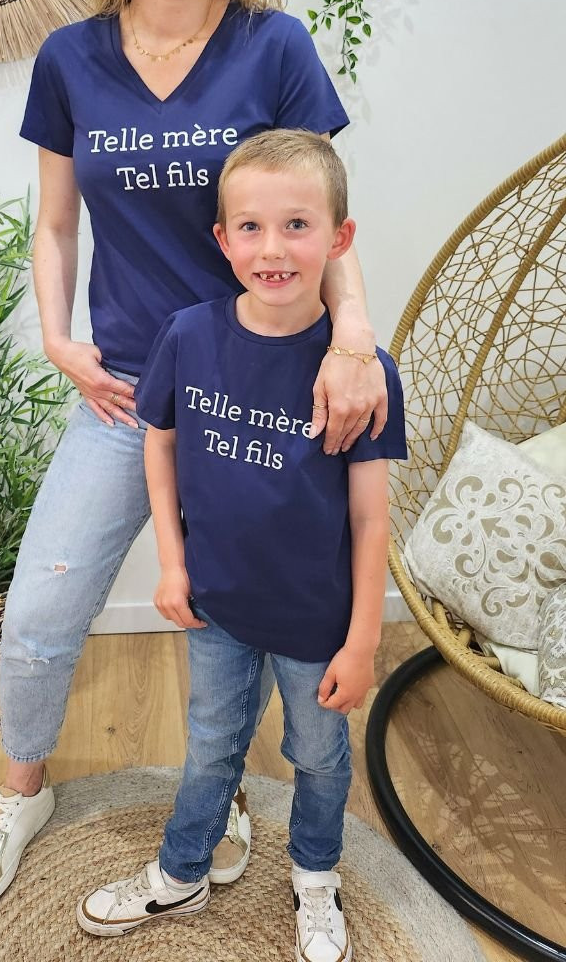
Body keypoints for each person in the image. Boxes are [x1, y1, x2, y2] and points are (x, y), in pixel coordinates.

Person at [0, 0, 391, 914]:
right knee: (44, 608)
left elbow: (328, 214)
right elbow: (57, 224)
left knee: (241, 611)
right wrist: (57, 335)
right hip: (126, 392)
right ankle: (20, 789)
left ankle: (226, 794)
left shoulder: (272, 47)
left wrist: (353, 336)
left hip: (258, 394)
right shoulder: (71, 58)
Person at [76, 130, 406, 960]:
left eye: (297, 225)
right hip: (217, 607)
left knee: (319, 759)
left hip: (315, 624)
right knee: (212, 746)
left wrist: (365, 639)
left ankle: (316, 878)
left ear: (339, 238)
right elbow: (158, 440)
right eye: (250, 228)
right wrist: (174, 563)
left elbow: (372, 519)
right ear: (222, 240)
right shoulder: (188, 336)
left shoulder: (366, 376)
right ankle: (180, 870)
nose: (273, 248)